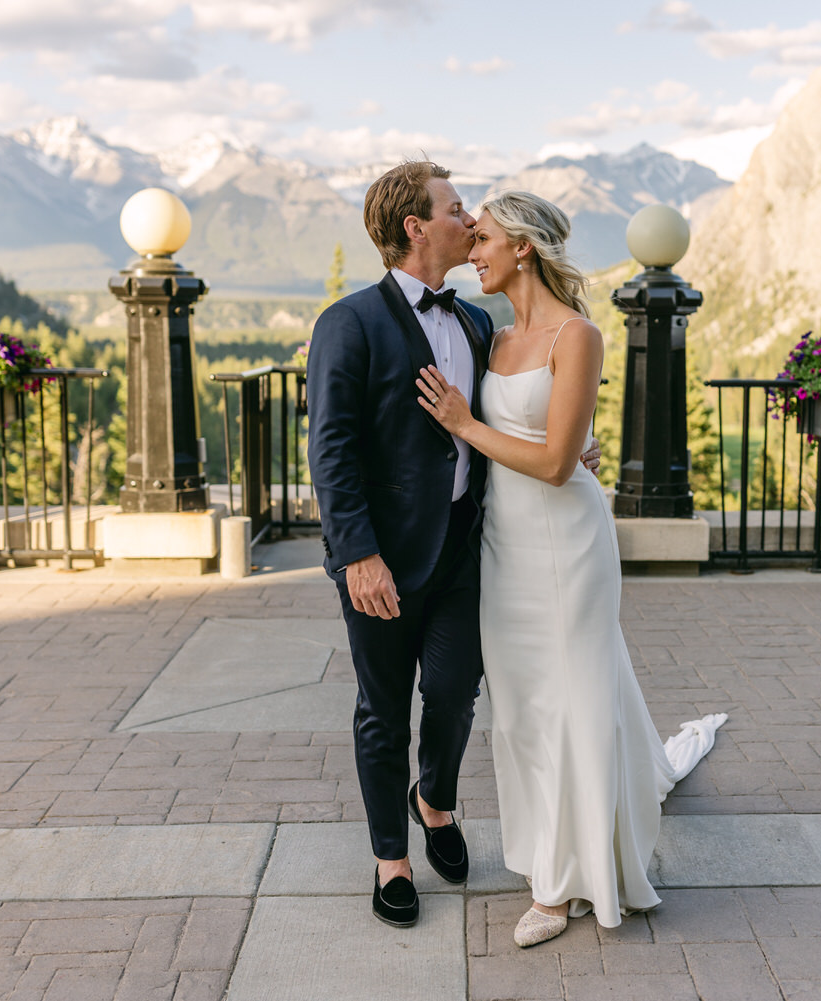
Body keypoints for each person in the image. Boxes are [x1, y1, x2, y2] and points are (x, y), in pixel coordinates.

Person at [418, 191, 722, 949]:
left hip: (568, 543)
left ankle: (566, 884)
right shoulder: (490, 335)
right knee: (522, 709)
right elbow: (534, 444)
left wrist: (467, 422)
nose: (471, 250)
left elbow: (557, 463)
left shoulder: (576, 335)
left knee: (574, 700)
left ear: (523, 246)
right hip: (504, 547)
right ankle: (548, 853)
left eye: (482, 238)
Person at [305, 161, 599, 929]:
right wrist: (358, 553)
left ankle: (434, 799)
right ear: (416, 227)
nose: (469, 223)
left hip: (470, 551)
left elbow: (510, 424)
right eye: (456, 208)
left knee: (455, 694)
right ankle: (391, 858)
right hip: (381, 561)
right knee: (381, 708)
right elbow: (330, 449)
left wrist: (563, 452)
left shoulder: (476, 323)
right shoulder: (350, 322)